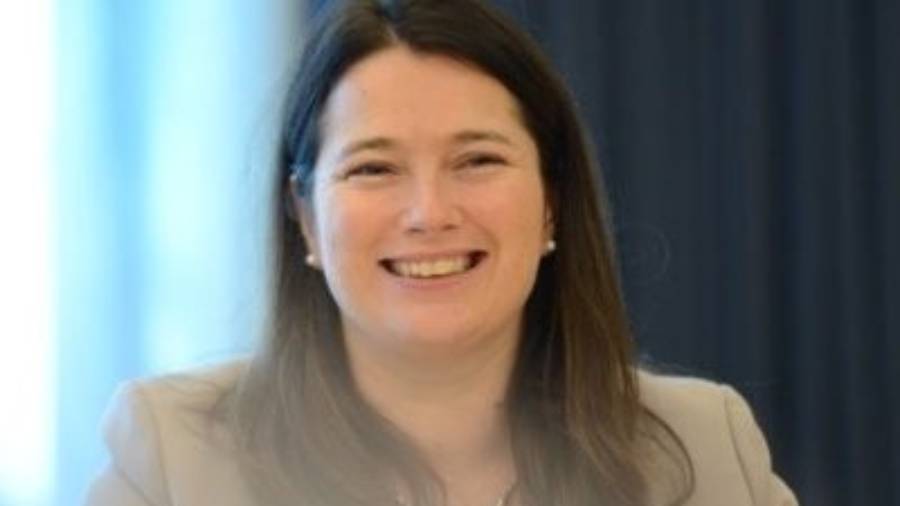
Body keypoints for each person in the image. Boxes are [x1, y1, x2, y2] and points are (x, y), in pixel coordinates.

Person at [83, 0, 798, 505]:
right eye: (373, 168)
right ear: (305, 219)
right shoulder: (174, 458)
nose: (429, 213)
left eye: (477, 160)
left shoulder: (704, 448)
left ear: (552, 200)